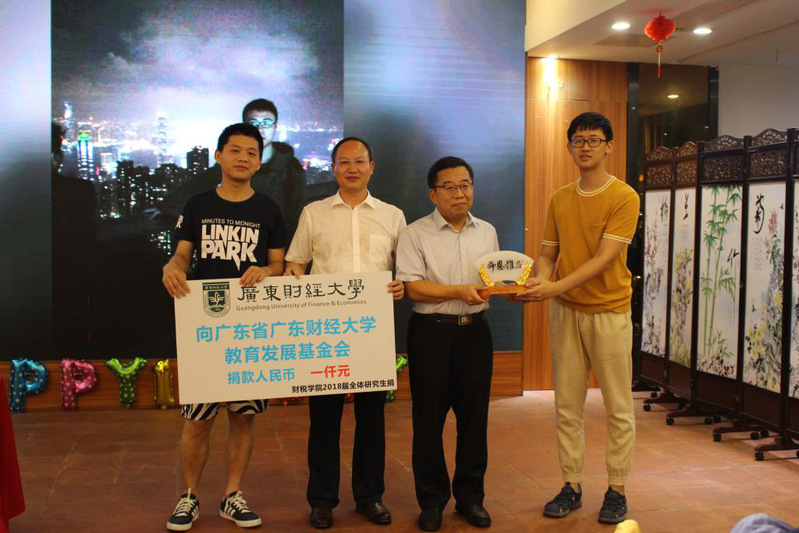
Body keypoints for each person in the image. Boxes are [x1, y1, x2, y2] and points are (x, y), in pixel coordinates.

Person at [514, 112, 639, 524]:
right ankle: (571, 484)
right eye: (578, 140)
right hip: (566, 312)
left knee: (618, 406)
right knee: (567, 405)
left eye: (593, 140)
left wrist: (553, 287)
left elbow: (605, 259)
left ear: (609, 146)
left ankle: (617, 489)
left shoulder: (624, 196)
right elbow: (547, 254)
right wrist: (539, 280)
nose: (585, 147)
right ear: (568, 147)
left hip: (610, 311)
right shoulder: (560, 197)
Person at [162, 123, 288, 531]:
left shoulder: (269, 209)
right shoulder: (197, 204)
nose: (243, 158)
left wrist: (266, 271)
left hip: (250, 328)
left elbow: (278, 264)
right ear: (218, 156)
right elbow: (182, 256)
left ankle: (233, 495)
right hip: (206, 326)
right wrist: (171, 267)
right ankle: (188, 497)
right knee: (197, 419)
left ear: (259, 162)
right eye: (235, 150)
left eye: (251, 152)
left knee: (243, 417)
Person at [284, 136, 405, 529]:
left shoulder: (392, 216)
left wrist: (402, 284)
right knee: (324, 419)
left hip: (371, 330)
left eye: (359, 161)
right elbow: (295, 263)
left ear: (372, 167)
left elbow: (406, 270)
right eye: (344, 162)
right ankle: (322, 500)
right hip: (326, 332)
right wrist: (293, 275)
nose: (352, 168)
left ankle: (370, 497)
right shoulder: (314, 213)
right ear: (333, 168)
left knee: (372, 418)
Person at [396, 156, 499, 531]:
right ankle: (432, 501)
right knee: (428, 421)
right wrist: (458, 290)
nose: (460, 193)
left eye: (465, 185)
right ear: (433, 194)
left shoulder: (486, 231)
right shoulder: (414, 233)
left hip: (475, 333)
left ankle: (471, 498)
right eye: (450, 187)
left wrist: (511, 291)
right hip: (431, 333)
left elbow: (492, 280)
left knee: (474, 421)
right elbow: (412, 287)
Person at [164, 98, 305, 239]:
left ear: (275, 127)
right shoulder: (231, 162)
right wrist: (164, 207)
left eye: (267, 123)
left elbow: (296, 218)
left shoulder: (291, 169)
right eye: (253, 123)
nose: (260, 129)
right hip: (234, 243)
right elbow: (197, 185)